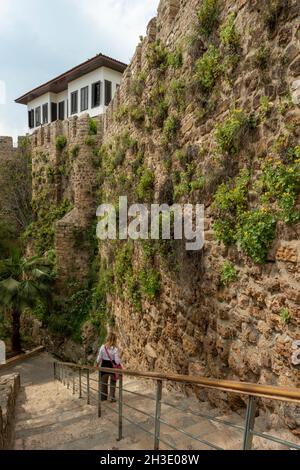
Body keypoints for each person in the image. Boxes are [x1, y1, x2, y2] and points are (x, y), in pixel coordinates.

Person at [96, 332, 121, 402]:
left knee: (103, 382)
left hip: (104, 366)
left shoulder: (102, 347)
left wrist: (97, 364)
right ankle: (111, 397)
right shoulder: (115, 349)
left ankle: (103, 397)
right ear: (114, 339)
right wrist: (119, 359)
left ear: (107, 338)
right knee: (113, 382)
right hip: (112, 367)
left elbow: (99, 357)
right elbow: (117, 361)